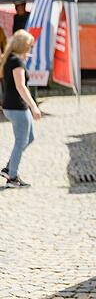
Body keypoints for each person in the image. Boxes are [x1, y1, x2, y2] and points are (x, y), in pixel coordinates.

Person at [0, 30, 41, 188]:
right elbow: (21, 87)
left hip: (12, 106)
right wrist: (34, 106)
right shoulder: (16, 62)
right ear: (22, 45)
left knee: (29, 137)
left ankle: (9, 168)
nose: (30, 49)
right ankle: (12, 177)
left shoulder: (10, 59)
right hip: (17, 107)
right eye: (29, 46)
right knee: (20, 141)